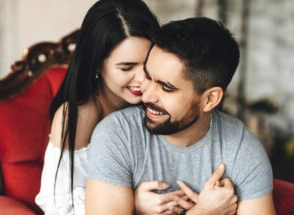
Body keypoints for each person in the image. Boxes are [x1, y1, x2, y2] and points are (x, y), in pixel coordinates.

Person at [85, 17, 276, 215]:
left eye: (166, 87)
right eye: (148, 77)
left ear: (210, 99)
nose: (147, 95)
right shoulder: (117, 135)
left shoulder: (241, 149)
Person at [34, 0, 192, 214]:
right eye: (126, 67)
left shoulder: (161, 98)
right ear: (97, 63)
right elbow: (58, 208)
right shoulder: (78, 115)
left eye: (147, 65)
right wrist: (131, 203)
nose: (141, 79)